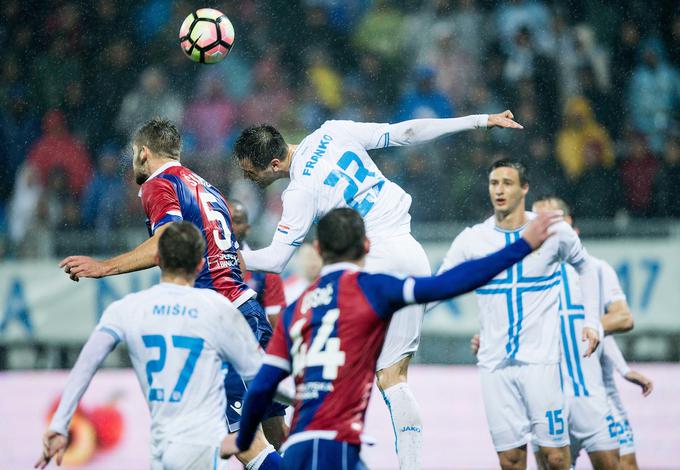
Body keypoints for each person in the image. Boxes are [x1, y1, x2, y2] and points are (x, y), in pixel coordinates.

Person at [232, 110, 523, 469]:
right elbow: (407, 131)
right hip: (410, 250)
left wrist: (233, 258)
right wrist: (479, 120)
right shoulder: (334, 131)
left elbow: (276, 259)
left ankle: (305, 431)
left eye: (250, 172)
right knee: (394, 377)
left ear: (273, 164)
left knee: (322, 358)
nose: (248, 178)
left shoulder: (299, 191)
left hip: (371, 265)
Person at [220, 207, 561, 469]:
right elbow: (450, 283)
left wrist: (246, 437)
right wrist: (521, 247)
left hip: (296, 449)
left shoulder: (297, 308)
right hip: (337, 448)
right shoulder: (372, 290)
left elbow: (263, 386)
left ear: (319, 249)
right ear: (367, 246)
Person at [58, 118, 282, 467]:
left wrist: (104, 267)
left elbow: (166, 238)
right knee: (277, 435)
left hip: (223, 318)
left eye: (134, 154)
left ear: (143, 153)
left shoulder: (158, 183)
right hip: (246, 309)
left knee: (246, 444)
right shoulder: (206, 187)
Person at [35, 222, 278, 470]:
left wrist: (59, 425)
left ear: (158, 259)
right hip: (206, 446)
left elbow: (85, 366)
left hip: (163, 451)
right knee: (256, 451)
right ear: (200, 265)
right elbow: (259, 373)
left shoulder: (125, 309)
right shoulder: (218, 308)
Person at [439, 159, 601, 470]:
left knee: (555, 457)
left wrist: (592, 322)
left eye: (507, 183)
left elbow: (587, 266)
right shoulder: (472, 239)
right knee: (511, 460)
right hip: (494, 365)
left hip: (541, 363)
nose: (499, 190)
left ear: (524, 188)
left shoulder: (552, 230)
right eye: (494, 183)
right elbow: (439, 286)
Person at [531, 197, 632, 469]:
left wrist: (592, 325)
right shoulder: (528, 273)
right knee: (552, 463)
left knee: (618, 464)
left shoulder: (594, 269)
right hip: (547, 396)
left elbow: (623, 317)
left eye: (548, 220)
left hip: (591, 392)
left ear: (567, 222)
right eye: (535, 221)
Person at [229, 199, 289, 449]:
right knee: (248, 445)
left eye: (238, 221)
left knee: (276, 437)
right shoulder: (206, 267)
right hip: (228, 365)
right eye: (227, 219)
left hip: (260, 361)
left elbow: (277, 323)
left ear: (247, 228)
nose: (231, 226)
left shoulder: (263, 268)